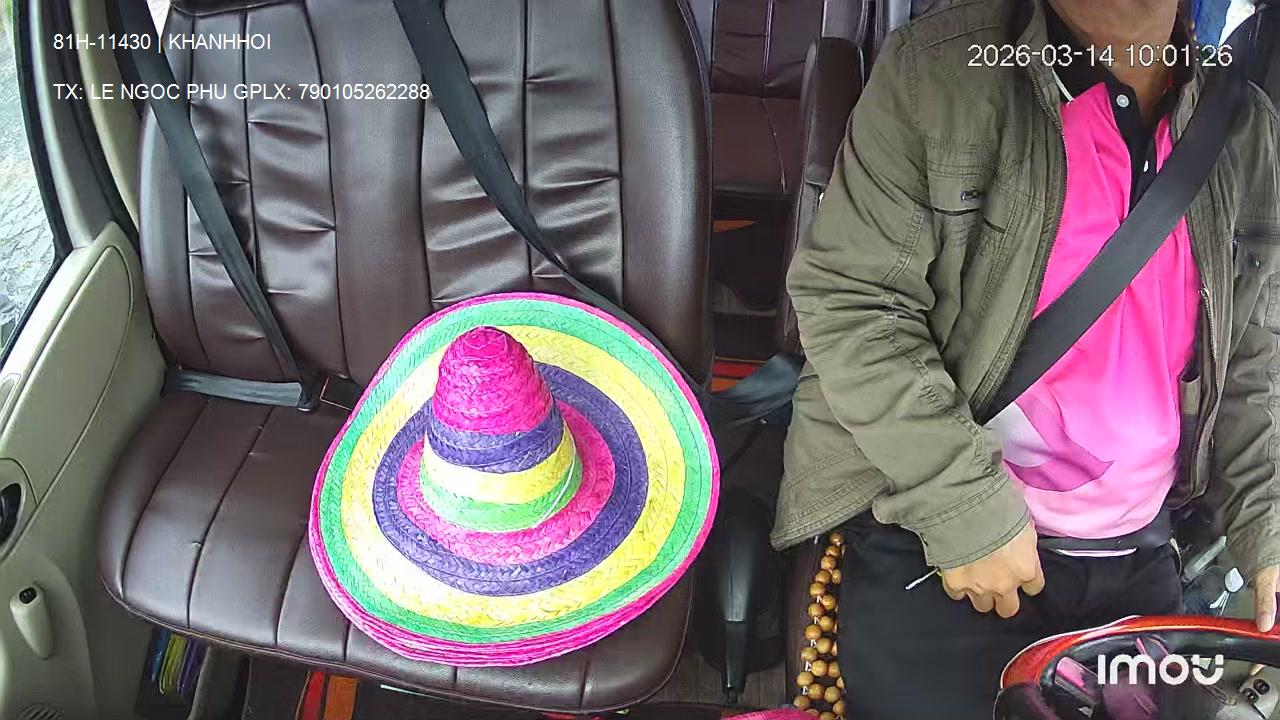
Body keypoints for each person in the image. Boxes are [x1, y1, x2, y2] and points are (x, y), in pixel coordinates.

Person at [770, 0, 1280, 717]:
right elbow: (853, 303)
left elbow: (1254, 362)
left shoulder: (1245, 129)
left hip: (1137, 557)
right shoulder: (939, 75)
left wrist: (1266, 526)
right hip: (937, 533)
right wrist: (965, 508)